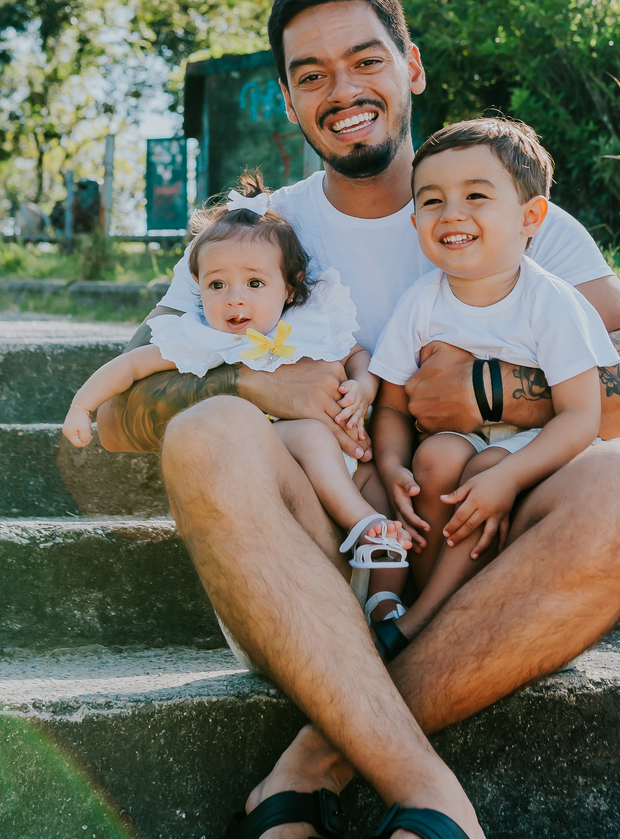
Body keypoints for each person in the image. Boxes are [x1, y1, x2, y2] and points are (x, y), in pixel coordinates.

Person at [94, 0, 620, 839]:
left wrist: (493, 393)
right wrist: (260, 384)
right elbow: (120, 409)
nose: (343, 88)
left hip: (477, 552)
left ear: (411, 67)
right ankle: (436, 812)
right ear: (289, 98)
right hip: (308, 571)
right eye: (312, 74)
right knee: (206, 431)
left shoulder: (495, 202)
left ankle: (303, 777)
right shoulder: (259, 234)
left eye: (366, 60)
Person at [62, 173, 414, 572]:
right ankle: (361, 523)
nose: (235, 299)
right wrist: (82, 406)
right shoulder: (204, 338)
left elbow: (357, 355)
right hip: (277, 453)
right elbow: (130, 365)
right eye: (217, 285)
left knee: (381, 491)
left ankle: (384, 596)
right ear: (198, 287)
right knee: (312, 435)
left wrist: (363, 387)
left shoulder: (309, 322)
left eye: (254, 283)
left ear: (289, 287)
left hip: (353, 458)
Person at [366, 115, 613, 660]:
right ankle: (419, 599)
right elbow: (391, 406)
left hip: (534, 454)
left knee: (485, 468)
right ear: (415, 222)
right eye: (432, 201)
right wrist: (391, 467)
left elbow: (581, 416)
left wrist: (508, 476)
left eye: (475, 195)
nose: (451, 213)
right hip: (459, 447)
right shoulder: (422, 302)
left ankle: (423, 622)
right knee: (434, 457)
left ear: (531, 216)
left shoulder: (550, 301)